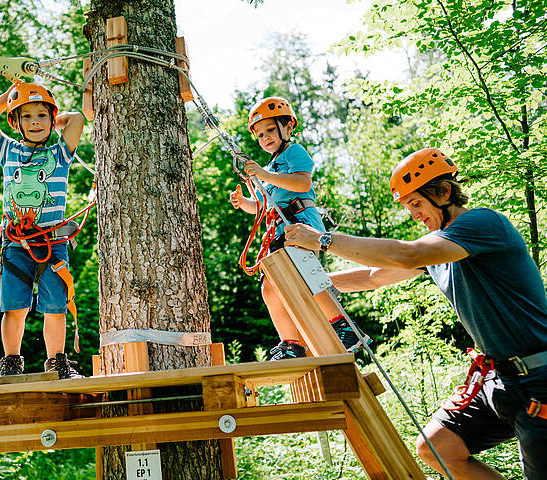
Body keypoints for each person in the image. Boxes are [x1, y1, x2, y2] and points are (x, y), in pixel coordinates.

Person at [283, 147, 547, 479]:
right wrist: (304, 284)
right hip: (499, 378)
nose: (414, 215)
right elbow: (372, 277)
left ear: (444, 193)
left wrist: (322, 239)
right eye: (408, 208)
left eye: (417, 204)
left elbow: (407, 255)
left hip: (538, 378)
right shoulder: (439, 246)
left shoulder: (483, 224)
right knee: (437, 446)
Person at [229, 97, 360, 360]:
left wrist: (264, 176)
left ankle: (343, 327)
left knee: (303, 271)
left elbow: (301, 184)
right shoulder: (268, 169)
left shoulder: (294, 152)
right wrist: (244, 202)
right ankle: (291, 344)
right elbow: (264, 205)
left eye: (270, 130)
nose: (265, 138)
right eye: (260, 134)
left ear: (287, 128)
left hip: (301, 225)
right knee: (269, 285)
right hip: (279, 231)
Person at [0, 81, 85, 379]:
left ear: (51, 120)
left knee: (55, 305)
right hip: (17, 243)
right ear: (14, 122)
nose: (34, 122)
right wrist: (11, 95)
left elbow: (77, 120)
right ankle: (11, 362)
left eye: (41, 116)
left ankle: (57, 363)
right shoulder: (8, 150)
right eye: (26, 117)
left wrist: (54, 118)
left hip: (53, 240)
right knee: (15, 306)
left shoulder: (60, 153)